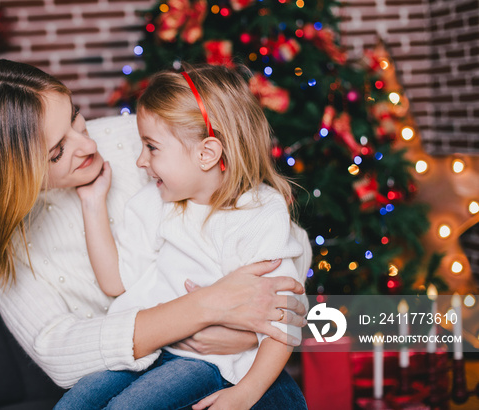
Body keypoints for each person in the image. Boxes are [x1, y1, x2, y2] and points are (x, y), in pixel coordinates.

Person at [0, 59, 309, 407]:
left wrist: (247, 335)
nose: (89, 144)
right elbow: (58, 348)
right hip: (145, 360)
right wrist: (201, 309)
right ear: (12, 176)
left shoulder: (145, 136)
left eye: (76, 118)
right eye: (57, 151)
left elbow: (285, 257)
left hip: (225, 369)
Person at [55, 64, 311, 409]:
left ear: (207, 154)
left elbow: (284, 326)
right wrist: (93, 202)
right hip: (156, 351)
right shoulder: (155, 201)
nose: (140, 161)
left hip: (217, 365)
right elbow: (117, 282)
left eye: (151, 147)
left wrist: (244, 394)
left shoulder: (259, 214)